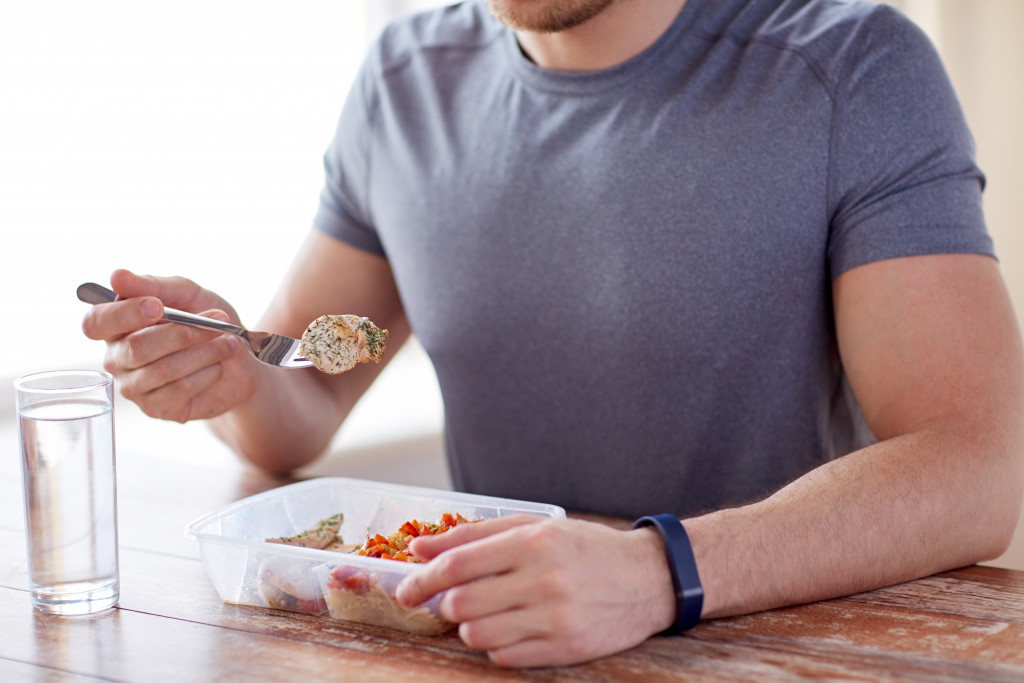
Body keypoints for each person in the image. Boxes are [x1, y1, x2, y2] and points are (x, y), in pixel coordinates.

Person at [82, 0, 1024, 669]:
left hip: (771, 647)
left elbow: (975, 466)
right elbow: (303, 399)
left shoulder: (854, 69)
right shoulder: (404, 83)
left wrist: (660, 572)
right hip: (491, 649)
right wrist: (231, 370)